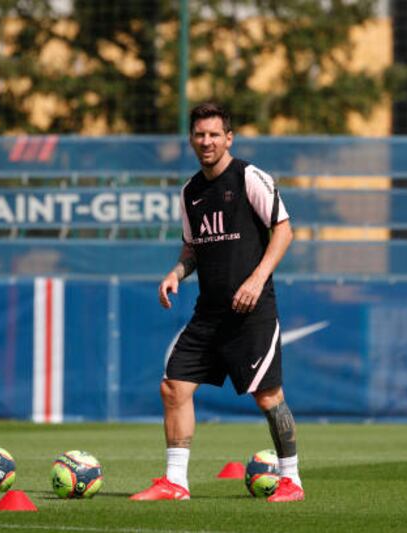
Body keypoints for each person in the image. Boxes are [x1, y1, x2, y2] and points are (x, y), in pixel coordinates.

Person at [130, 102, 304, 503]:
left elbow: (284, 231)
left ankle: (291, 480)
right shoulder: (190, 192)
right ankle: (175, 483)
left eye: (214, 134)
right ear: (191, 139)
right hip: (209, 313)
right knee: (174, 387)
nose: (206, 141)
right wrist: (176, 273)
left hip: (252, 312)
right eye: (199, 135)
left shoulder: (250, 177)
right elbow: (193, 247)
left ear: (229, 138)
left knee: (268, 397)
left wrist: (257, 281)